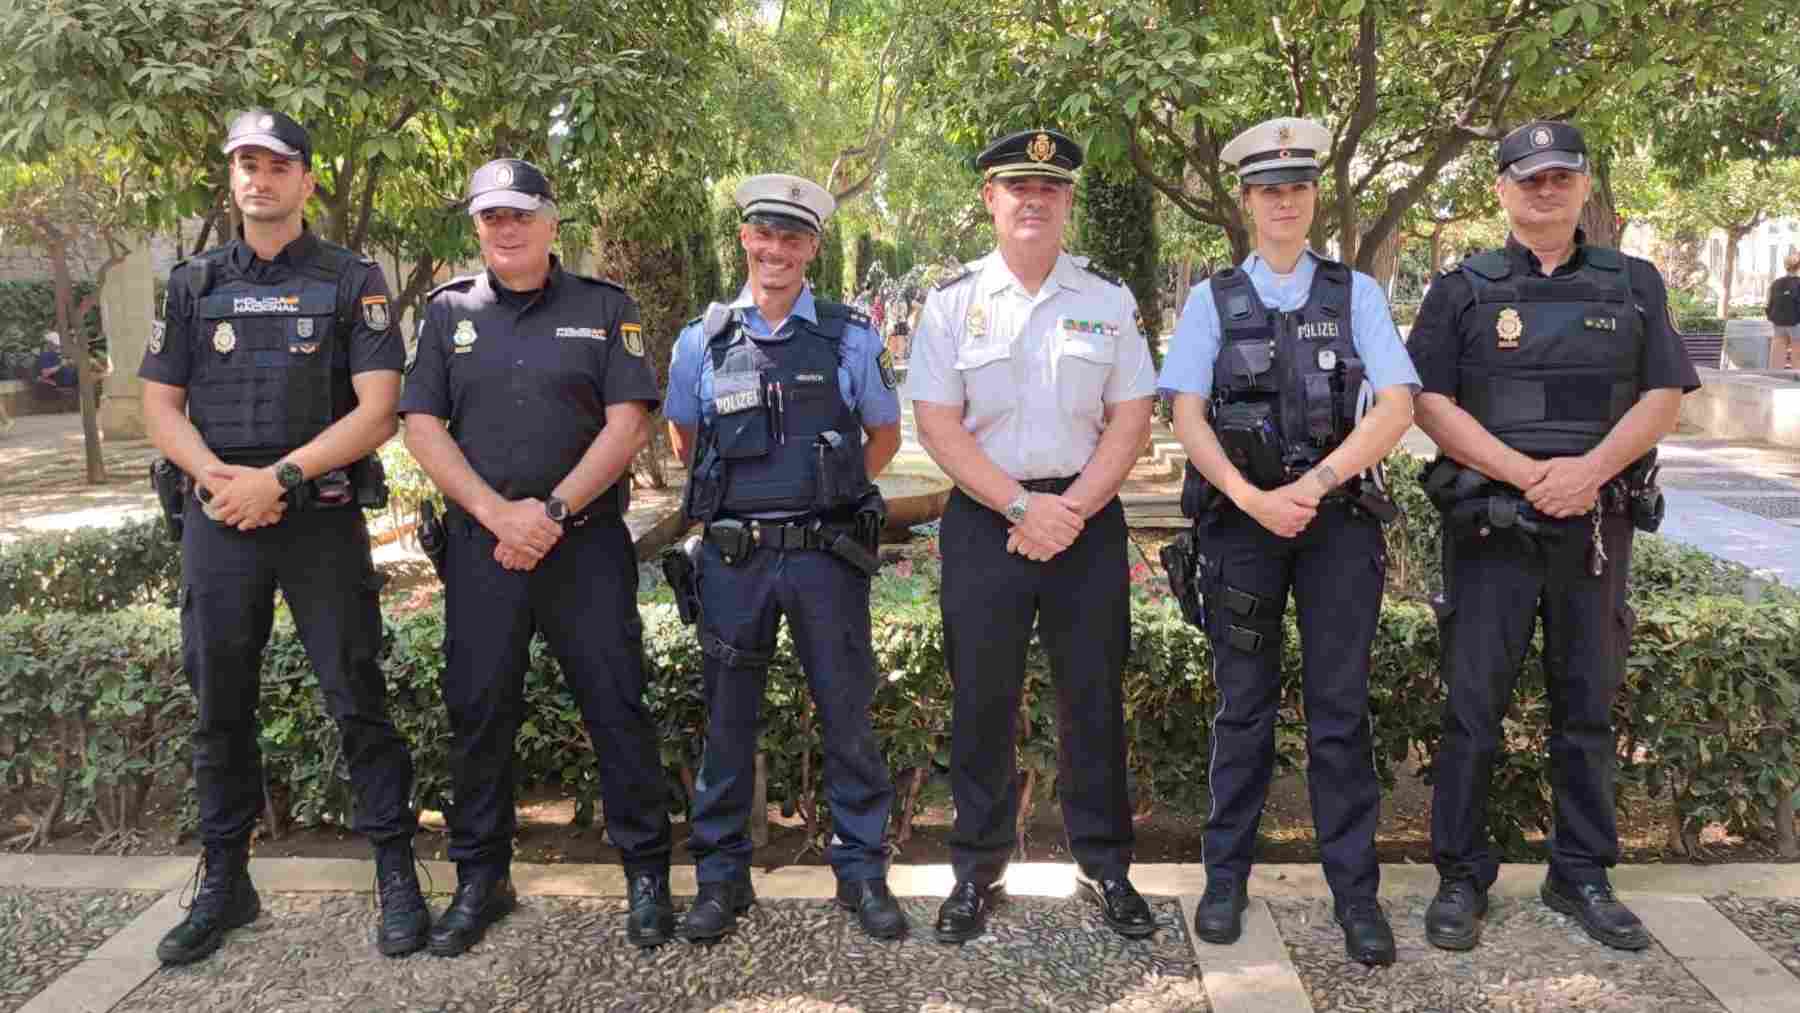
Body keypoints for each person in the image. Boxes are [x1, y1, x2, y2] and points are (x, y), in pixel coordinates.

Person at [138, 108, 427, 964]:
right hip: (220, 519)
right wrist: (223, 481)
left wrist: (281, 478)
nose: (258, 180)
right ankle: (227, 880)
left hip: (318, 518)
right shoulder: (192, 284)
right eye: (244, 166)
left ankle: (396, 872)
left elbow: (379, 408)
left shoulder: (351, 278)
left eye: (275, 166)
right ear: (232, 180)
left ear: (305, 179)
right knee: (219, 706)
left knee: (357, 697)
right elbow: (161, 405)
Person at [1411, 120, 1699, 952]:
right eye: (1528, 178)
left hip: (1594, 528)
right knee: (1471, 709)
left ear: (1583, 186)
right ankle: (1461, 875)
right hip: (1491, 531)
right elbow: (1427, 401)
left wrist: (1584, 473)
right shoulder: (1460, 288)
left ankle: (1582, 872)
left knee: (1587, 708)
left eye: (1560, 177)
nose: (1545, 191)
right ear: (1501, 188)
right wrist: (1524, 473)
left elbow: (1662, 396)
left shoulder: (1634, 281)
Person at [1158, 117, 1419, 966]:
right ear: (1246, 202)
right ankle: (1225, 878)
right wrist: (1248, 495)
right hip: (1242, 528)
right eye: (1268, 190)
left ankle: (1356, 895)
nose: (1284, 201)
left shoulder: (1356, 296)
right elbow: (1186, 413)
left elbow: (1397, 405)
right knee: (1244, 711)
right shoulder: (1212, 300)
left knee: (1339, 714)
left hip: (1335, 524)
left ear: (1312, 199)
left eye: (1297, 188)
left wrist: (1313, 485)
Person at [399, 158, 675, 953]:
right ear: (477, 227)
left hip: (583, 547)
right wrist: (496, 515)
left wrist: (551, 513)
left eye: (520, 213)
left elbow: (629, 424)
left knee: (618, 704)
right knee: (479, 711)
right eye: (491, 217)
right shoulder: (446, 312)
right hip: (485, 552)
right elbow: (422, 426)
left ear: (553, 221)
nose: (506, 228)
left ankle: (646, 873)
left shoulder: (603, 307)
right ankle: (482, 876)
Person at [903, 129, 1157, 944]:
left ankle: (1106, 862)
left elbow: (1131, 418)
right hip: (987, 520)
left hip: (1085, 518)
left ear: (1069, 201)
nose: (1034, 200)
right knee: (982, 700)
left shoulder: (1108, 298)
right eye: (1018, 186)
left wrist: (1071, 509)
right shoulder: (951, 301)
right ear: (991, 198)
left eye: (1050, 187)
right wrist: (1021, 506)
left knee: (1093, 698)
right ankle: (976, 870)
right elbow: (938, 423)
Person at [665, 173, 905, 943]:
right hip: (735, 561)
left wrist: (832, 490)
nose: (776, 250)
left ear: (813, 248)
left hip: (824, 557)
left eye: (793, 238)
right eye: (764, 234)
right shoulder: (700, 339)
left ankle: (863, 873)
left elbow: (884, 434)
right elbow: (683, 440)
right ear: (744, 238)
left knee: (847, 716)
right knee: (728, 723)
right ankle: (719, 878)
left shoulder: (848, 335)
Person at [1766, 250, 1799, 369]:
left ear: (1786, 266)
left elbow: (1768, 303)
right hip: (1796, 323)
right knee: (1797, 355)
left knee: (1777, 355)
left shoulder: (1775, 283)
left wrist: (1772, 317)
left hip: (1778, 323)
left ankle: (1775, 379)